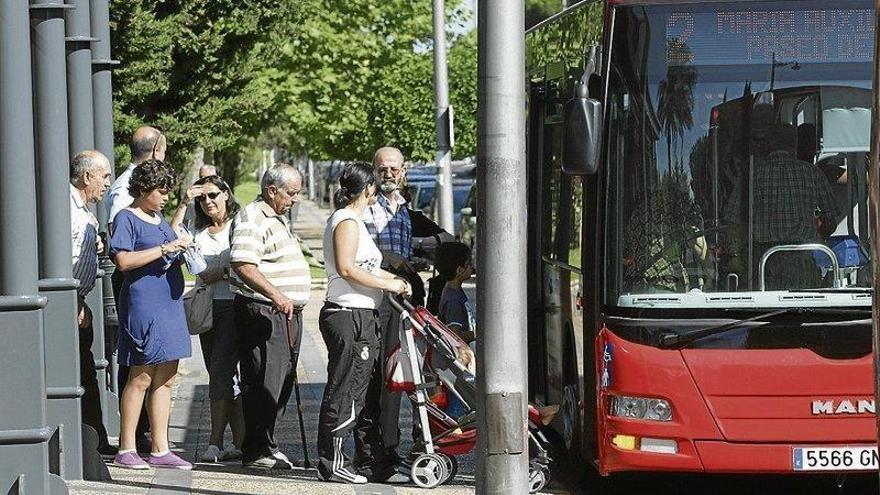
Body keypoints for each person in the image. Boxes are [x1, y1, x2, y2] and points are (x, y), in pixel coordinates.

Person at [316, 163, 411, 484]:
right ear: (368, 189)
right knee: (347, 390)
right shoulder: (346, 221)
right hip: (348, 314)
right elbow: (346, 268)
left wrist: (394, 279)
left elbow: (365, 266)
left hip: (362, 314)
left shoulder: (354, 221)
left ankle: (367, 461)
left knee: (363, 390)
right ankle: (334, 462)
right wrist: (387, 285)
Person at [362, 147, 452, 471]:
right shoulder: (366, 208)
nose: (388, 174)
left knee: (399, 375)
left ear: (403, 172)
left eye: (393, 169)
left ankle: (389, 446)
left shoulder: (401, 208)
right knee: (378, 378)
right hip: (375, 301)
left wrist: (412, 264)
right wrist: (394, 262)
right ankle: (375, 452)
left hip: (400, 302)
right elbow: (368, 254)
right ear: (374, 171)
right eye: (382, 168)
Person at [110, 159, 193, 470]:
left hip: (169, 303)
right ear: (143, 189)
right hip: (145, 303)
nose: (166, 197)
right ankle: (126, 448)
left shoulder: (157, 217)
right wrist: (165, 250)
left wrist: (180, 247)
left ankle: (161, 448)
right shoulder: (126, 218)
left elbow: (168, 240)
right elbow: (123, 261)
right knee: (141, 375)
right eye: (161, 191)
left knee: (166, 378)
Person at [229, 164, 312, 470]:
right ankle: (257, 448)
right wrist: (276, 294)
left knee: (281, 380)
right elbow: (243, 263)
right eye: (291, 193)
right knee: (265, 379)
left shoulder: (275, 217)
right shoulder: (253, 216)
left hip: (283, 312)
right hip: (265, 310)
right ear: (271, 190)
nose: (295, 199)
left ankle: (267, 443)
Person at [171, 175, 244, 463]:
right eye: (202, 198)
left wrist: (223, 273)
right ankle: (241, 441)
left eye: (213, 195)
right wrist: (184, 203)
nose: (208, 202)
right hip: (207, 307)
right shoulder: (197, 229)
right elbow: (172, 236)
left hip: (233, 305)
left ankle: (215, 441)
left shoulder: (238, 226)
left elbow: (250, 262)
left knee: (222, 371)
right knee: (221, 374)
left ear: (226, 194)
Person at [106, 125, 167, 453]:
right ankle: (132, 437)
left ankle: (149, 436)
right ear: (157, 149)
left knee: (155, 363)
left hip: (155, 289)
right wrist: (162, 251)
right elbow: (122, 248)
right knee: (137, 362)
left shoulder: (148, 191)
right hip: (137, 286)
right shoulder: (125, 193)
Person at [69, 150, 116, 456]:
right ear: (87, 176)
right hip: (69, 304)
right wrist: (72, 303)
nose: (108, 184)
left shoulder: (84, 210)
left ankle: (95, 437)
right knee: (81, 370)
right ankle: (89, 439)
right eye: (105, 176)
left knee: (86, 370)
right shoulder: (67, 209)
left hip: (78, 300)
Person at [428, 242, 476, 344]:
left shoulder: (453, 292)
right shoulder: (453, 300)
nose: (472, 267)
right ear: (459, 270)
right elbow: (455, 336)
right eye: (469, 264)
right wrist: (478, 333)